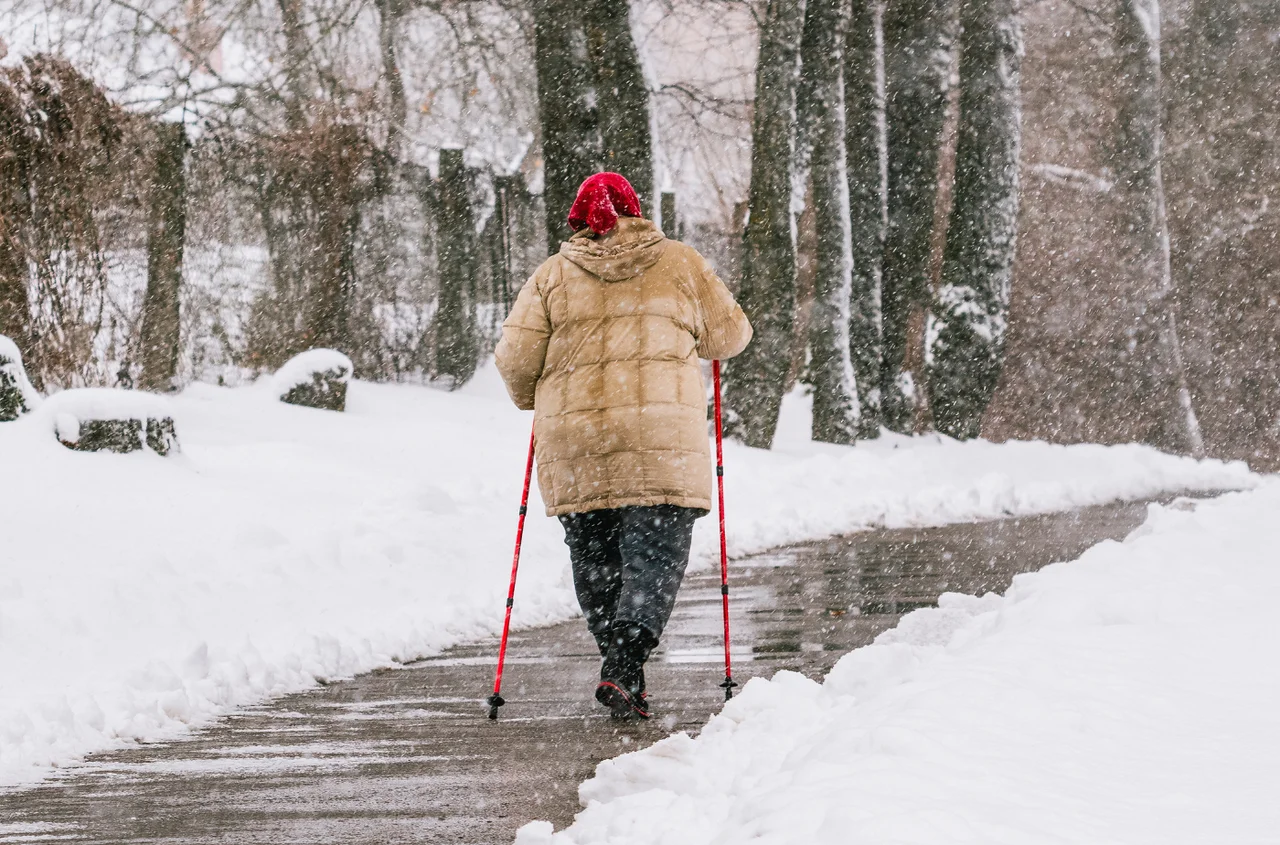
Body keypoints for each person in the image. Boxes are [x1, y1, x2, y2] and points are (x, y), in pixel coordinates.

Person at [494, 172, 752, 720]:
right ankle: (626, 658)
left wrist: (529, 399)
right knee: (653, 557)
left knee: (596, 562)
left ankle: (623, 668)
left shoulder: (551, 276)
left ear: (577, 221)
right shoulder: (680, 262)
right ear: (637, 212)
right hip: (660, 441)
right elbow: (730, 336)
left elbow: (516, 360)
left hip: (577, 440)